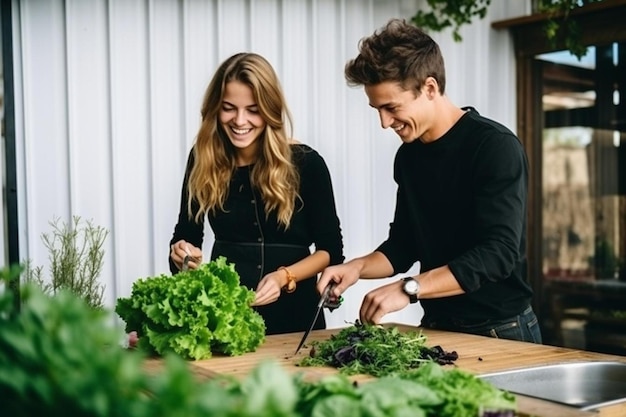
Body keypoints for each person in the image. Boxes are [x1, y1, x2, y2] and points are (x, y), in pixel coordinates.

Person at [317, 19, 542, 343]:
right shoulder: (409, 156)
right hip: (438, 325)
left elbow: (498, 254)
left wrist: (409, 288)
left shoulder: (494, 147)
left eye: (391, 107)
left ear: (430, 88)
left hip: (501, 330)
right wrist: (355, 268)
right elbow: (403, 246)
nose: (384, 123)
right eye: (377, 109)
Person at [170, 52, 344, 335]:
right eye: (228, 108)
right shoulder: (201, 159)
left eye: (253, 110)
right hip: (226, 318)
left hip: (296, 319)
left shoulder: (307, 163)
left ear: (270, 110)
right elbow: (186, 234)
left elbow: (331, 251)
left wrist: (284, 277)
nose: (240, 120)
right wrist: (181, 253)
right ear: (215, 108)